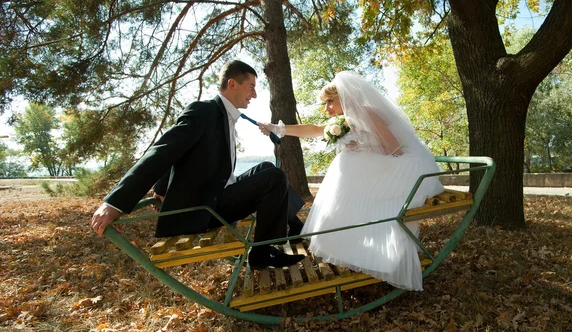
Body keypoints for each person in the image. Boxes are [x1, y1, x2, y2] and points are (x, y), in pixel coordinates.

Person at [91, 60, 304, 270]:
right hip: (204, 208)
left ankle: (294, 228)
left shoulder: (224, 115)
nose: (255, 95)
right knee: (274, 177)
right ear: (232, 84)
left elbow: (182, 153)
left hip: (217, 195)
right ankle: (261, 253)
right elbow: (163, 151)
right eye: (251, 87)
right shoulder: (204, 111)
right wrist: (114, 204)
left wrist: (161, 188)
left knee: (266, 168)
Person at [259, 71, 444, 290]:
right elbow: (317, 130)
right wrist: (277, 128)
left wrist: (361, 146)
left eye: (329, 101)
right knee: (345, 164)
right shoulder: (345, 119)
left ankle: (377, 251)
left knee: (349, 164)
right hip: (384, 161)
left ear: (344, 96)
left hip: (406, 165)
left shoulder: (367, 112)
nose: (327, 108)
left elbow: (395, 149)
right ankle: (349, 245)